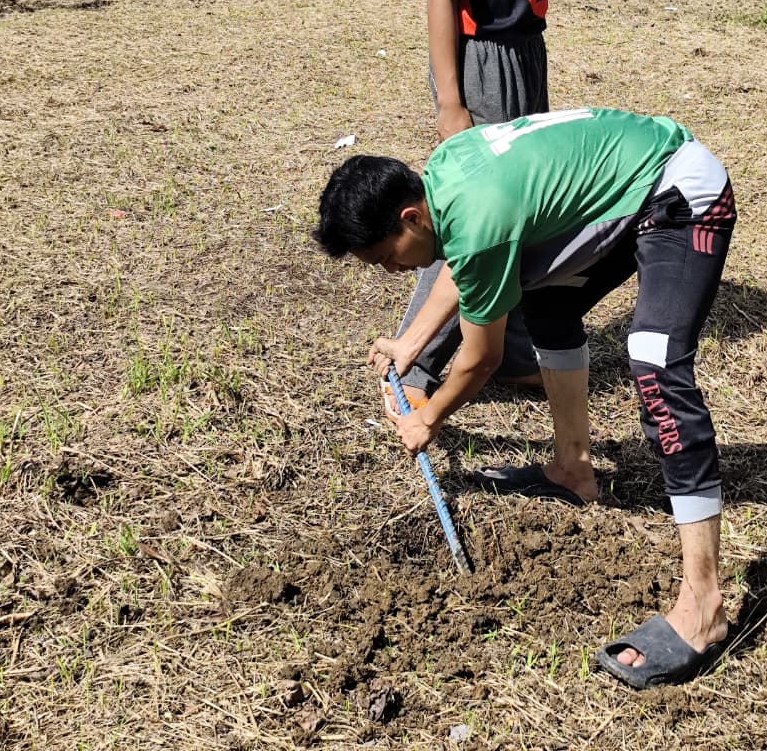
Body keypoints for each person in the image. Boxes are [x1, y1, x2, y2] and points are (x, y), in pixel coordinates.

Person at [315, 107, 737, 691]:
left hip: (678, 190)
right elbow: (462, 261)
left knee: (656, 361)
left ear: (409, 217)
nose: (391, 271)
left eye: (386, 258)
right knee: (550, 302)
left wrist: (427, 418)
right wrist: (410, 342)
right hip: (634, 185)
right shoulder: (445, 175)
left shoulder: (477, 218)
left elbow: (481, 359)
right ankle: (571, 468)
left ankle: (704, 605)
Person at [396, 0, 577, 408]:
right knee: (474, 213)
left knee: (525, 204)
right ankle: (413, 370)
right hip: (483, 59)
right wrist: (451, 99)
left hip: (527, 49)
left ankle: (513, 351)